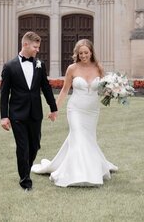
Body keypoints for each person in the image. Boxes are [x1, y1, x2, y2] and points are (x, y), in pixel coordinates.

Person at [31, 39, 117, 187]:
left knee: (89, 139)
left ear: (91, 52)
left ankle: (91, 169)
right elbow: (65, 90)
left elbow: (104, 89)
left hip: (92, 111)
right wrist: (54, 109)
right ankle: (77, 174)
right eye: (80, 53)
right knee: (78, 138)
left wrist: (114, 91)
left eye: (86, 52)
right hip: (75, 109)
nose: (83, 55)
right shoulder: (72, 68)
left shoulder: (99, 68)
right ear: (77, 54)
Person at [0, 31, 58, 192]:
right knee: (23, 147)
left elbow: (46, 88)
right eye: (35, 47)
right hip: (17, 114)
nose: (37, 50)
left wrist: (53, 108)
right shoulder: (9, 66)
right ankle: (25, 180)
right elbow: (5, 94)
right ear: (25, 44)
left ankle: (26, 169)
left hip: (35, 113)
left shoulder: (40, 64)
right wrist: (4, 117)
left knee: (35, 146)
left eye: (38, 47)